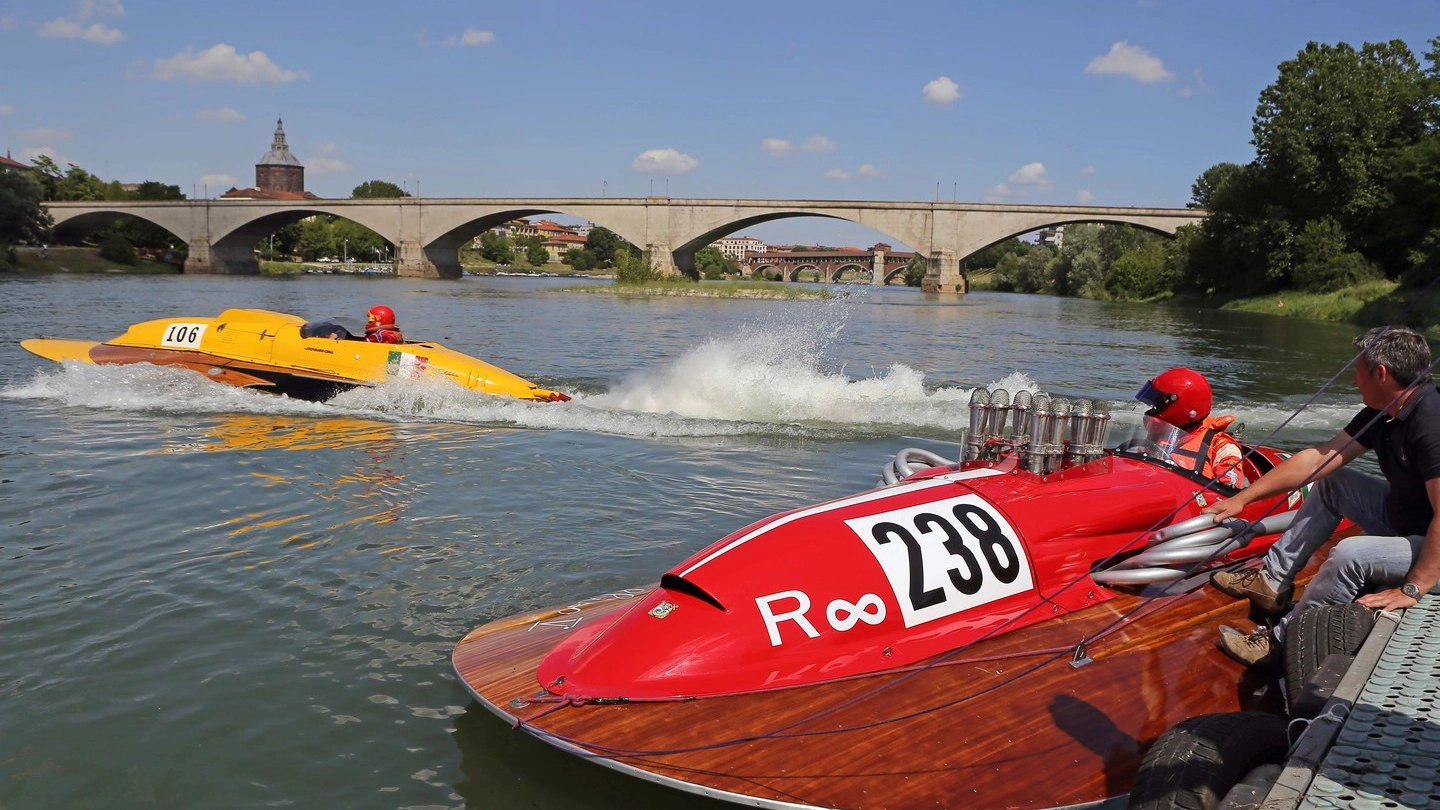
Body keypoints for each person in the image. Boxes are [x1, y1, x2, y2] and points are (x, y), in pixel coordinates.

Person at [1204, 326, 1440, 668]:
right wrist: (1245, 498)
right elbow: (1319, 458)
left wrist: (1413, 588)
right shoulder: (1384, 412)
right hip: (1410, 522)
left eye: (1357, 371)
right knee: (1335, 481)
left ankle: (1284, 644)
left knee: (1350, 554)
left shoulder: (1432, 423)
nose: (1353, 381)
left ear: (1381, 373)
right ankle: (1272, 583)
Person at [1134, 367, 1248, 489]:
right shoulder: (1158, 436)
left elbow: (1228, 492)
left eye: (1158, 403)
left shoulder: (1221, 446)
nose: (1153, 408)